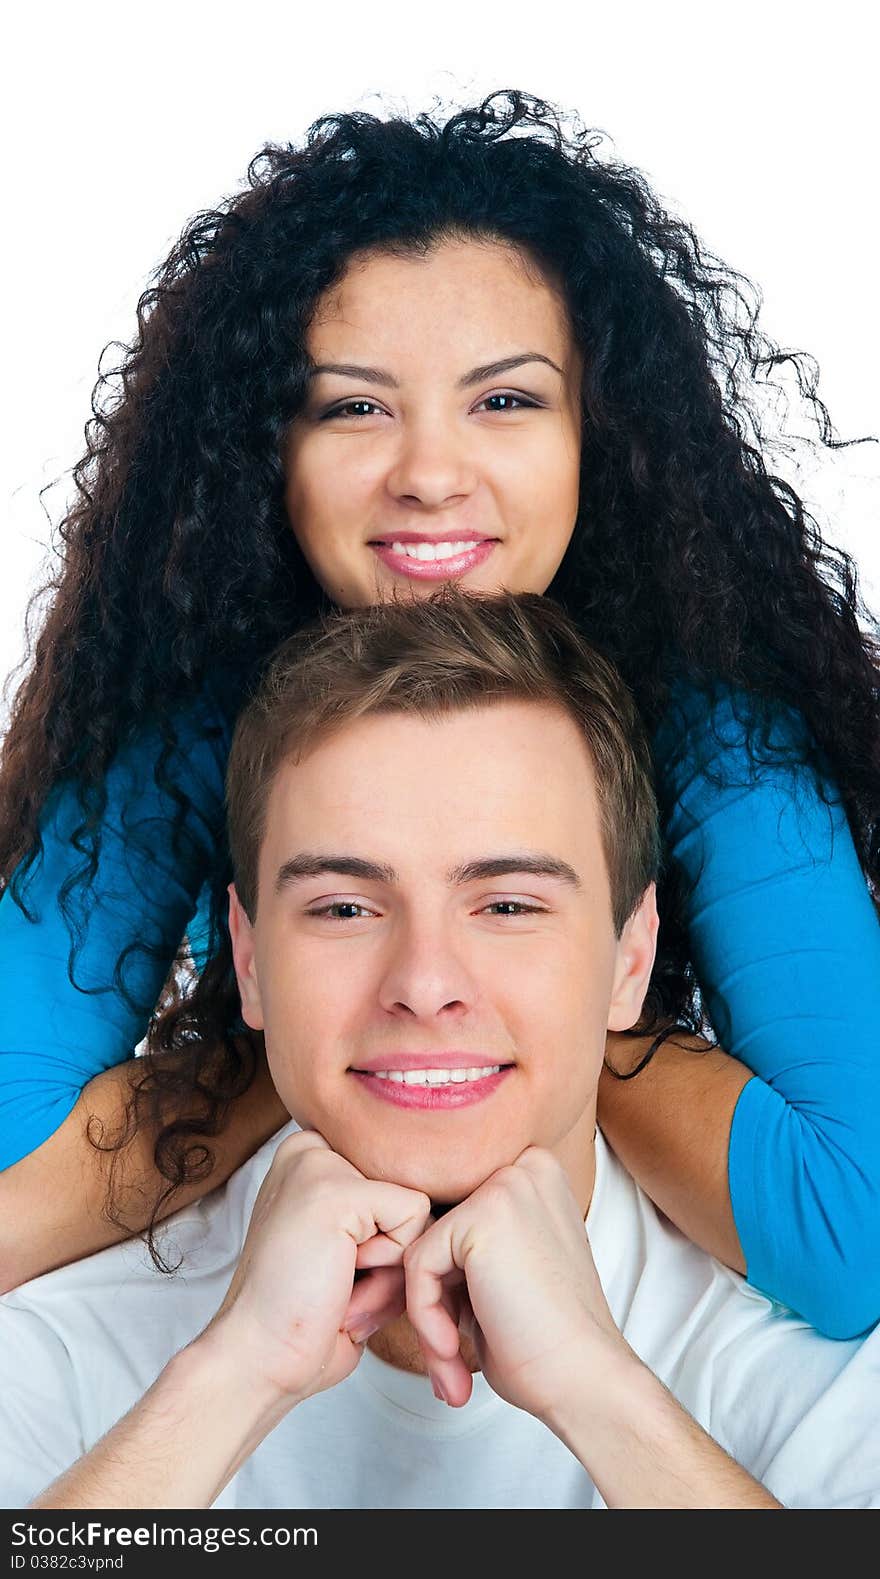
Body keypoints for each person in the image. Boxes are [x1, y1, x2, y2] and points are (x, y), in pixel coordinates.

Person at [1, 91, 879, 1338]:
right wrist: (337, 1045)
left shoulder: (721, 738)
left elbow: (850, 1231)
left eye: (506, 401)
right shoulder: (180, 726)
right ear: (270, 450)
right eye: (354, 405)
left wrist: (510, 1040)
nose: (427, 470)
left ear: (599, 436)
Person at [3, 590, 877, 1512]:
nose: (424, 982)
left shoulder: (808, 1379)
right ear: (250, 959)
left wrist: (603, 1392)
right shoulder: (64, 1348)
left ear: (632, 958)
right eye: (344, 907)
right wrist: (232, 1378)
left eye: (508, 905)